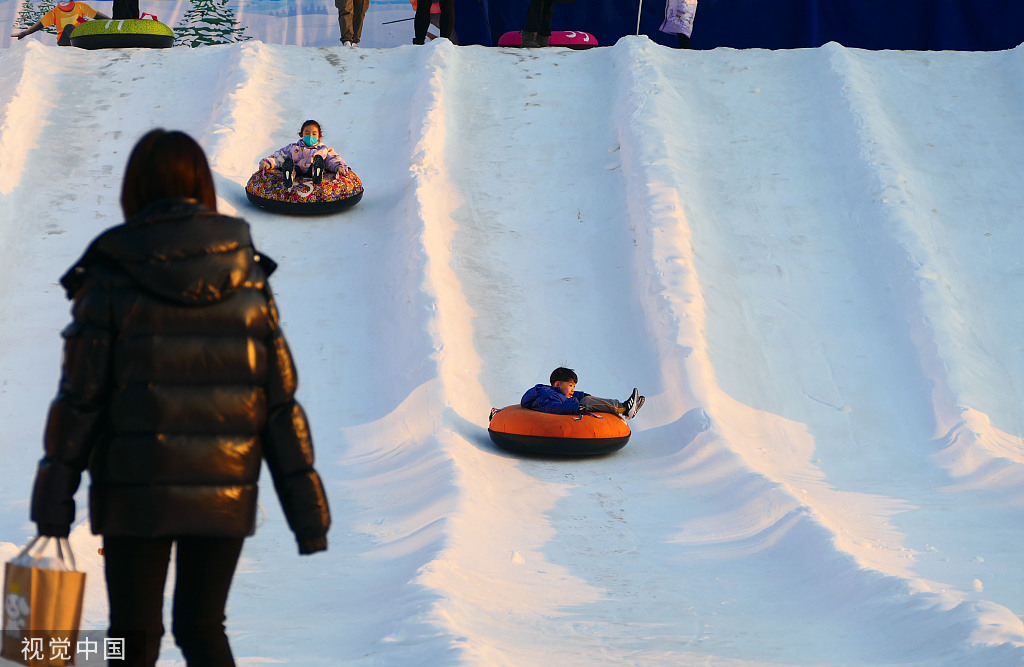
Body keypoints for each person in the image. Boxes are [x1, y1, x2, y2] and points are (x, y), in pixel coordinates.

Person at [30, 129, 331, 667]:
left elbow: (81, 399)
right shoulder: (248, 277)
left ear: (135, 188)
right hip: (225, 490)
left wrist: (54, 499)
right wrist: (307, 514)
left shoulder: (110, 274)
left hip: (132, 493)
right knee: (201, 627)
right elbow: (279, 403)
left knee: (131, 637)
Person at [259, 119, 352, 188]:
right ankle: (289, 176)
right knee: (291, 167)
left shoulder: (324, 149)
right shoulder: (294, 147)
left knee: (317, 164)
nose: (310, 136)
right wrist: (268, 162)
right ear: (301, 135)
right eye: (307, 133)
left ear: (319, 136)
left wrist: (338, 166)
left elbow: (333, 159)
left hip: (312, 168)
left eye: (314, 134)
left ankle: (317, 172)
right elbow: (280, 156)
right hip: (297, 169)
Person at [521, 367, 644, 419]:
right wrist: (577, 408)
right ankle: (624, 408)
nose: (573, 389)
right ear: (558, 384)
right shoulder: (548, 395)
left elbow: (571, 395)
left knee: (586, 399)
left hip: (572, 404)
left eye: (574, 386)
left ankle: (625, 407)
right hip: (569, 411)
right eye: (570, 385)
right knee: (587, 402)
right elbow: (554, 408)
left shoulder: (557, 392)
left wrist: (582, 394)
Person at [10, 0, 109, 45]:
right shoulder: (55, 13)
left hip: (79, 35)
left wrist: (112, 21)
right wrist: (24, 33)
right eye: (61, 1)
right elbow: (40, 25)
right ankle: (82, 42)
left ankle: (88, 41)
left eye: (66, 1)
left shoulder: (80, 6)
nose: (64, 3)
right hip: (64, 40)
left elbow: (97, 15)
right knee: (69, 27)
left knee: (85, 24)